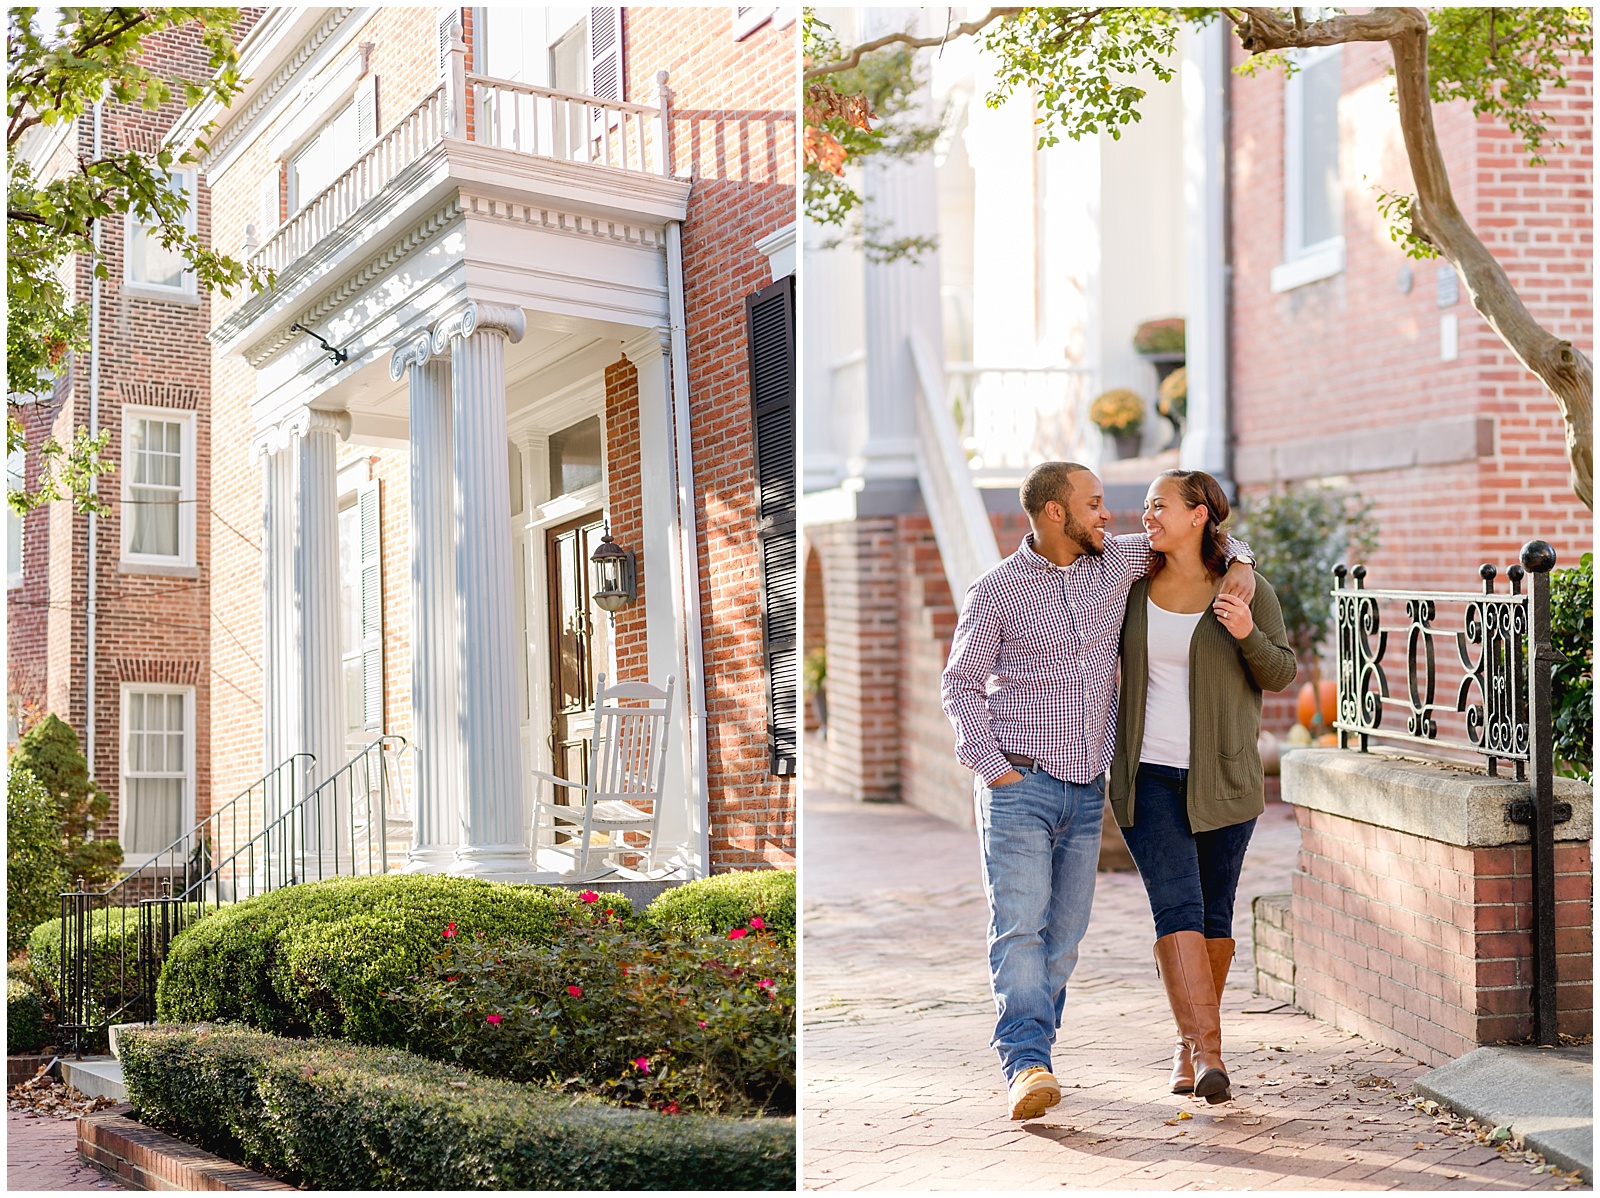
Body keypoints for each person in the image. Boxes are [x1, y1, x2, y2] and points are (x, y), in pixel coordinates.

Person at [940, 461, 1256, 1121]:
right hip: (1019, 782)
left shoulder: (1114, 564)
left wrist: (1244, 567)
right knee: (1020, 928)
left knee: (1063, 939)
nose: (1106, 514)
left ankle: (1036, 1054)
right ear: (1056, 513)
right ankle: (1026, 1061)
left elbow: (1208, 542)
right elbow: (961, 683)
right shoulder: (996, 591)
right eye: (1093, 503)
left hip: (1086, 790)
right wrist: (991, 765)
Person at [1109, 469, 1296, 1104]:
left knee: (1215, 914)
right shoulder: (1129, 584)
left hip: (1225, 777)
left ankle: (1188, 1044)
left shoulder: (1245, 589)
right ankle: (1211, 1053)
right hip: (1147, 778)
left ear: (1197, 516)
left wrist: (1244, 629)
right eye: (1146, 505)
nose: (1147, 515)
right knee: (1177, 908)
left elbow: (1282, 673)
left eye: (1159, 505)